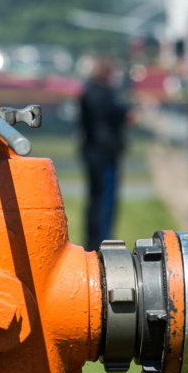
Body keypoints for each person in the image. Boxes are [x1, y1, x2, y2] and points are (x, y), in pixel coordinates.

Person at [78, 56, 129, 251]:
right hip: (105, 154)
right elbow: (118, 114)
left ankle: (93, 240)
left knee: (94, 199)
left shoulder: (87, 93)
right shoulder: (104, 95)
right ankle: (102, 240)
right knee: (105, 202)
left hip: (92, 151)